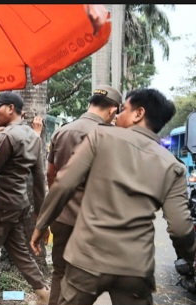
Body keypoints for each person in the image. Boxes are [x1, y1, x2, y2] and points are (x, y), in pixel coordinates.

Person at [30, 88, 196, 305]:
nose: (117, 115)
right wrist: (191, 257)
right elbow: (180, 227)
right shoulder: (173, 166)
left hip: (86, 259)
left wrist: (41, 224)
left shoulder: (101, 136)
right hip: (135, 267)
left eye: (124, 110)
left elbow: (63, 184)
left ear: (139, 114)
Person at [44, 84, 122, 305]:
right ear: (113, 110)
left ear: (90, 104)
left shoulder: (62, 131)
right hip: (93, 222)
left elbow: (51, 175)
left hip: (62, 217)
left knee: (60, 273)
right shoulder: (112, 136)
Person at [0, 91, 50, 305]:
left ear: (10, 108)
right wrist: (38, 211)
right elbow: (38, 178)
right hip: (18, 205)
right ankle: (43, 291)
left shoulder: (6, 136)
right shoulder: (33, 137)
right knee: (19, 251)